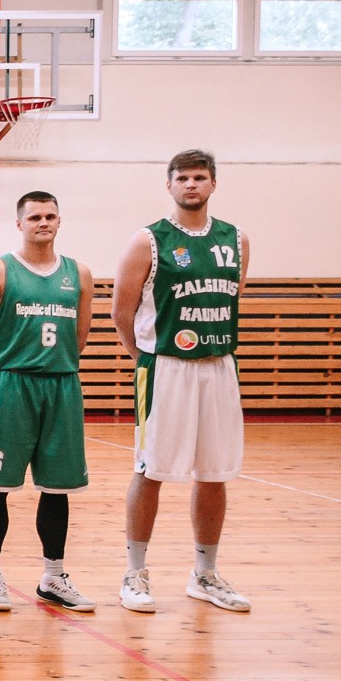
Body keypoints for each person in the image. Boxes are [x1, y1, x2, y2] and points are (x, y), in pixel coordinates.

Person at [112, 150, 251, 613]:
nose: (191, 184)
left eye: (200, 177)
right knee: (149, 470)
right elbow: (121, 312)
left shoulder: (236, 239)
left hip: (219, 365)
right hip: (166, 366)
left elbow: (235, 295)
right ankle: (135, 572)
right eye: (183, 177)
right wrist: (145, 359)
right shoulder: (148, 240)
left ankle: (204, 574)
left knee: (214, 473)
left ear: (213, 184)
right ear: (169, 185)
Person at [0, 191, 96, 612]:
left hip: (61, 386)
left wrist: (54, 367)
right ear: (19, 223)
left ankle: (53, 576)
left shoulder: (79, 274)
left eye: (50, 216)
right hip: (11, 384)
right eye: (35, 217)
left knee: (58, 488)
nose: (43, 223)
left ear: (59, 221)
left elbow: (79, 338)